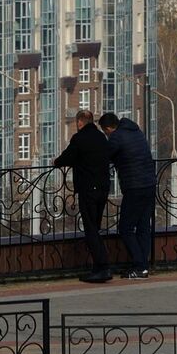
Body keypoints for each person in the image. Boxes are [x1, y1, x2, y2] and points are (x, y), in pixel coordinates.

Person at [53, 108, 113, 282]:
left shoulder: (79, 139)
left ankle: (102, 268)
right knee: (96, 226)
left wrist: (56, 162)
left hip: (88, 189)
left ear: (79, 123)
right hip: (103, 188)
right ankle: (99, 267)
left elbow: (67, 157)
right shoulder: (102, 138)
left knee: (91, 230)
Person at [101, 111, 156, 279]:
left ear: (109, 128)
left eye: (105, 132)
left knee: (125, 228)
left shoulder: (117, 137)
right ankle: (144, 267)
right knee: (143, 227)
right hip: (149, 184)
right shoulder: (136, 131)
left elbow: (104, 155)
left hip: (134, 186)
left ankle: (139, 266)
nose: (107, 135)